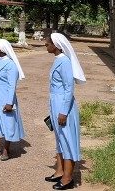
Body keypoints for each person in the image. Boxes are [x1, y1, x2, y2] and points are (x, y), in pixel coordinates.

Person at [44, 32, 86, 190]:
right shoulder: (58, 61)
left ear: (56, 46)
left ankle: (68, 178)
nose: (46, 46)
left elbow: (69, 89)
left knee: (67, 140)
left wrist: (63, 112)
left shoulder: (65, 63)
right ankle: (60, 171)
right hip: (56, 104)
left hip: (64, 106)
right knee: (60, 140)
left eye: (48, 44)